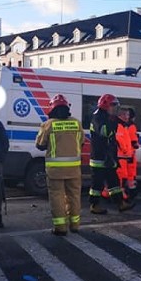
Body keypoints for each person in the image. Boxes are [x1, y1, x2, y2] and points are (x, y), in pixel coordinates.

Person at [35, 94, 84, 235]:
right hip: (74, 169)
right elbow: (81, 142)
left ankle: (60, 228)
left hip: (55, 170)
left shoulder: (49, 124)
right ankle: (75, 225)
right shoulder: (76, 123)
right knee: (74, 196)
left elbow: (40, 145)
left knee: (57, 197)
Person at [88, 93, 134, 214]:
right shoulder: (98, 117)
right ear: (105, 105)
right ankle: (94, 205)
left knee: (113, 182)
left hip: (108, 157)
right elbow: (104, 131)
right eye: (113, 106)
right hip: (99, 157)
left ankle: (121, 203)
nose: (115, 109)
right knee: (97, 185)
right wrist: (113, 122)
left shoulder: (107, 117)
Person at [115, 107, 139, 202]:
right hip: (124, 155)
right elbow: (123, 140)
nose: (127, 117)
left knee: (123, 176)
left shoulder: (124, 126)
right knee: (123, 176)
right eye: (126, 115)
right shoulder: (125, 126)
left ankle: (122, 194)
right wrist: (126, 150)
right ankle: (122, 196)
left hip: (125, 155)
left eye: (128, 115)